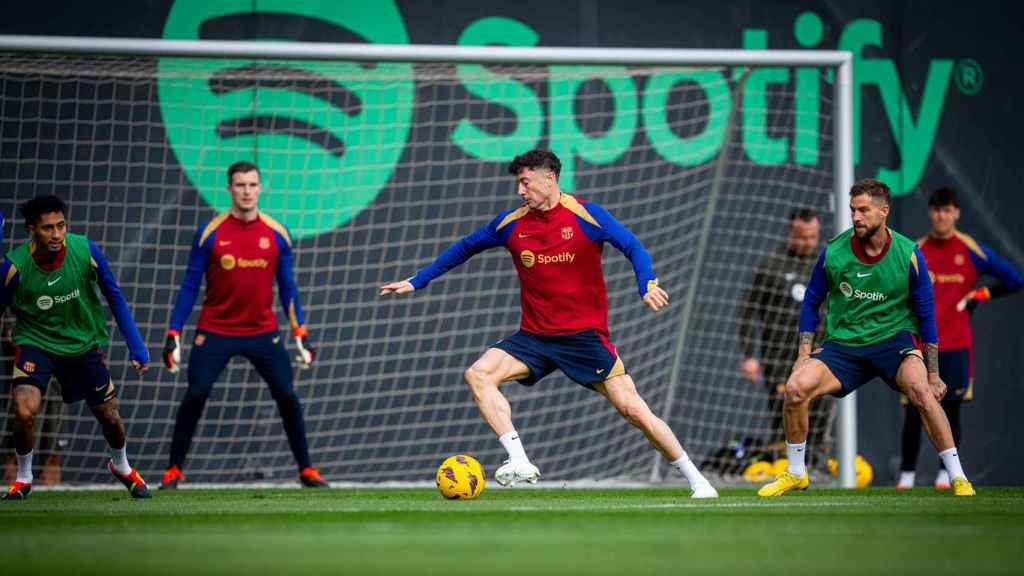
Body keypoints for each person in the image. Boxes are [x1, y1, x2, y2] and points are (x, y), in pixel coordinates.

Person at [379, 149, 717, 498]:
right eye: (518, 184)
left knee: (634, 410)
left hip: (583, 338)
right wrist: (417, 281)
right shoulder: (511, 224)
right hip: (535, 338)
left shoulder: (586, 214)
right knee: (478, 375)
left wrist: (646, 283)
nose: (520, 191)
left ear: (549, 178)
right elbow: (464, 248)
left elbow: (632, 246)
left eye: (525, 182)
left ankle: (698, 481)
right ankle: (519, 460)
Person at [758, 178, 975, 497]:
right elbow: (811, 302)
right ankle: (795, 472)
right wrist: (804, 355)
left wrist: (933, 373)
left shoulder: (908, 253)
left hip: (894, 344)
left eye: (864, 210)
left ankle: (957, 476)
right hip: (843, 347)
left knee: (922, 392)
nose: (856, 217)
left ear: (884, 211)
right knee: (795, 389)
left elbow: (926, 315)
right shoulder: (834, 251)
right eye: (852, 210)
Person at [160, 161, 327, 489]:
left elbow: (288, 289)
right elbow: (189, 285)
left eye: (252, 185)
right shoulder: (210, 232)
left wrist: (300, 334)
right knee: (196, 393)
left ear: (260, 188)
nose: (247, 191)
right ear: (229, 189)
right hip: (215, 330)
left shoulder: (277, 234)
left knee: (288, 395)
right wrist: (173, 333)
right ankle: (173, 471)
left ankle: (307, 469)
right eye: (240, 185)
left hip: (263, 332)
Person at [0, 196, 151, 500]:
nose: (56, 235)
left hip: (82, 345)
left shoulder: (85, 250)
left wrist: (137, 345)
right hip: (36, 343)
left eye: (61, 226)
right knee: (24, 411)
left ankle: (121, 465)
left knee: (109, 416)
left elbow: (114, 295)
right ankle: (25, 477)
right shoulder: (13, 267)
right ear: (31, 229)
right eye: (47, 228)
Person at [897, 187, 1022, 489]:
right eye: (937, 210)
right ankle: (906, 477)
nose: (942, 215)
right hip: (918, 345)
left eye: (948, 210)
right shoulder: (917, 249)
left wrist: (982, 293)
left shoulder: (970, 249)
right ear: (930, 212)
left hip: (956, 343)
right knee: (914, 410)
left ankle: (944, 474)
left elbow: (1014, 278)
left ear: (956, 213)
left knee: (951, 408)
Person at [739, 208, 835, 467]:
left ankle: (816, 468)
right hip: (780, 357)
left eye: (812, 237)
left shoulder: (826, 264)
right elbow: (749, 312)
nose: (808, 243)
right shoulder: (772, 265)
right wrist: (749, 355)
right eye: (802, 237)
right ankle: (787, 467)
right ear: (791, 233)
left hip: (820, 355)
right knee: (786, 414)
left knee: (821, 413)